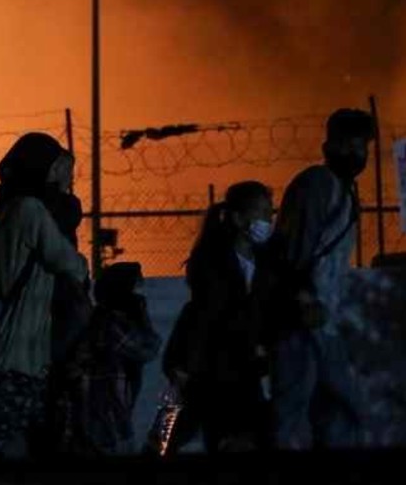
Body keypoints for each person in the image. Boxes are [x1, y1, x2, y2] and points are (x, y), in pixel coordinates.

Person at [0, 132, 88, 460]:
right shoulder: (31, 211)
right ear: (46, 169)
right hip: (18, 353)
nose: (68, 177)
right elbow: (73, 265)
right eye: (61, 168)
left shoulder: (8, 208)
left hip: (6, 350)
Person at [267, 109, 374, 450]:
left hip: (322, 319)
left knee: (332, 411)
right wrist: (303, 298)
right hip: (301, 318)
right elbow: (294, 249)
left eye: (361, 146)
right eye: (348, 144)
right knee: (296, 411)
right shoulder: (318, 184)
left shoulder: (342, 190)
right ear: (329, 144)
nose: (355, 153)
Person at [161, 181, 276, 453]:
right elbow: (210, 314)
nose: (268, 220)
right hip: (209, 363)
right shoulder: (213, 260)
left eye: (269, 212)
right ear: (238, 218)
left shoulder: (266, 261)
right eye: (261, 212)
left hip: (241, 363)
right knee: (174, 432)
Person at [62, 262, 160, 456]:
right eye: (135, 287)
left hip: (105, 417)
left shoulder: (106, 319)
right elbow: (147, 348)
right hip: (104, 419)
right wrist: (142, 316)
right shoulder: (111, 323)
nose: (140, 294)